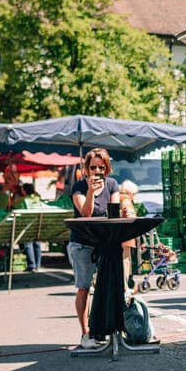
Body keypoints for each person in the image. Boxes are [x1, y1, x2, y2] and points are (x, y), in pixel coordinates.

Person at [68, 148, 120, 348]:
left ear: (106, 168)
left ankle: (104, 328)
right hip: (82, 243)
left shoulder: (112, 184)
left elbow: (113, 214)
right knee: (83, 288)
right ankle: (85, 333)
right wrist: (90, 190)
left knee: (107, 286)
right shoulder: (79, 187)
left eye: (101, 167)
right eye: (93, 167)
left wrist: (122, 210)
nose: (97, 171)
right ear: (86, 169)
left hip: (104, 243)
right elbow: (86, 214)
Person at [19, 181, 43, 272]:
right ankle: (38, 265)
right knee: (37, 243)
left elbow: (13, 205)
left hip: (27, 223)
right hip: (37, 223)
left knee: (28, 243)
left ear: (24, 191)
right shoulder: (37, 198)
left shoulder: (23, 199)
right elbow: (39, 196)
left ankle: (32, 265)